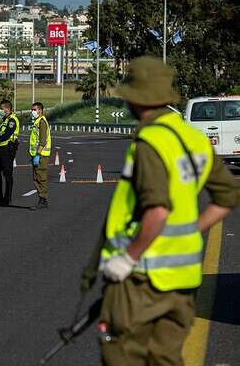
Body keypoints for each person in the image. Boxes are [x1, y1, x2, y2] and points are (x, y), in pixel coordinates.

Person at [82, 56, 239, 366]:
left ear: (135, 100)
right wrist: (193, 228)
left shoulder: (150, 142)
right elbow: (227, 196)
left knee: (121, 354)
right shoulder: (193, 138)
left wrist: (127, 259)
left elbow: (157, 211)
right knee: (166, 357)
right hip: (183, 281)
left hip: (143, 279)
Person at [0, 99, 20, 206]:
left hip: (8, 150)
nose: (0, 110)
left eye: (1, 108)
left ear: (7, 109)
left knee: (7, 174)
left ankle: (7, 198)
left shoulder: (12, 120)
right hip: (0, 149)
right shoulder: (5, 119)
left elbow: (7, 135)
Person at [28, 102, 51, 210]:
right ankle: (41, 199)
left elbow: (42, 140)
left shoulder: (41, 122)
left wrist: (37, 154)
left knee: (41, 178)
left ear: (40, 110)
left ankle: (43, 200)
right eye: (32, 110)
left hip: (41, 155)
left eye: (34, 110)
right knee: (36, 177)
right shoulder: (37, 122)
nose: (32, 112)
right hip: (37, 155)